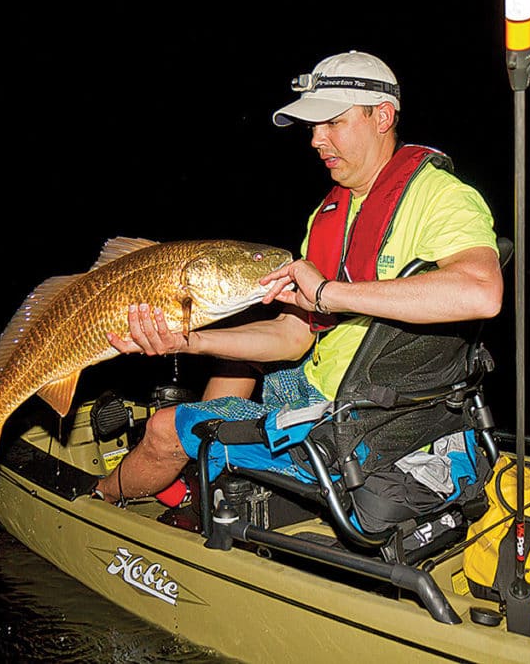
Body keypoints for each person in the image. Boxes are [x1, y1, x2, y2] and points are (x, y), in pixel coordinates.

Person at [93, 51, 503, 527]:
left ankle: (99, 499)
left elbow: (481, 291)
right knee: (239, 356)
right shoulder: (330, 213)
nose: (316, 140)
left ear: (383, 116)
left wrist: (328, 293)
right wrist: (187, 341)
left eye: (332, 122)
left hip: (357, 417)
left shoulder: (442, 197)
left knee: (165, 428)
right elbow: (294, 336)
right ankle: (205, 474)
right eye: (312, 127)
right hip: (323, 384)